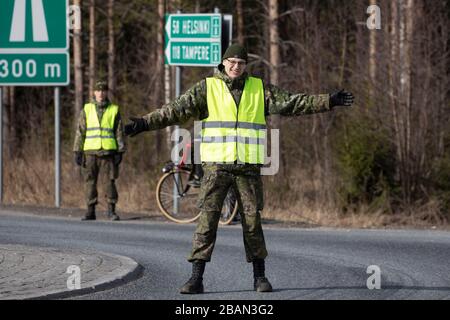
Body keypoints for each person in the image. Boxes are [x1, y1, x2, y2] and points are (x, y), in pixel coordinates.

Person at [124, 44, 354, 294]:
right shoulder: (207, 88)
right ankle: (196, 279)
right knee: (207, 223)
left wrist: (328, 101)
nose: (236, 67)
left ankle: (260, 277)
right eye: (232, 62)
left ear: (246, 66)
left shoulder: (259, 89)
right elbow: (175, 110)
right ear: (223, 63)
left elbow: (293, 102)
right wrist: (144, 123)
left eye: (241, 63)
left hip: (247, 168)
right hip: (216, 168)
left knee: (253, 223)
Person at [73, 80, 126, 221]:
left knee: (110, 182)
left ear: (106, 92)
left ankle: (111, 211)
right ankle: (90, 211)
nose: (101, 93)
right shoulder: (87, 109)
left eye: (103, 90)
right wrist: (77, 151)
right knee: (89, 182)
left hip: (108, 153)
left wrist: (120, 151)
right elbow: (80, 131)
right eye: (98, 90)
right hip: (90, 153)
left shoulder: (114, 109)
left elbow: (119, 131)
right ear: (94, 92)